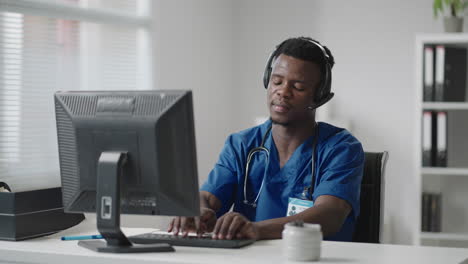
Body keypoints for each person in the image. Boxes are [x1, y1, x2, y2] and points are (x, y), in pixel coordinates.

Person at [168, 37, 364, 241]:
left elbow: (330, 214)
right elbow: (208, 197)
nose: (282, 92)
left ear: (320, 96)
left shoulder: (341, 148)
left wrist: (256, 229)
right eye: (277, 81)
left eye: (298, 87)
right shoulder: (242, 144)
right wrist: (199, 210)